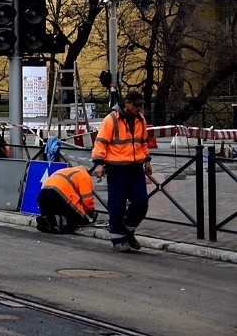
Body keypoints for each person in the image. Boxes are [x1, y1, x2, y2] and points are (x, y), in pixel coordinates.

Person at [92, 90, 153, 252]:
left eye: (141, 105)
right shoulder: (111, 120)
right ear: (127, 103)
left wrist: (147, 159)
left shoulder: (141, 119)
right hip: (117, 169)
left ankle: (126, 231)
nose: (139, 109)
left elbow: (143, 142)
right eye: (136, 105)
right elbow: (100, 143)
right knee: (117, 205)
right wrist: (99, 163)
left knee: (141, 202)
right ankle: (118, 239)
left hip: (135, 168)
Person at [36, 166, 96, 234]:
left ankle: (46, 220)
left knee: (56, 214)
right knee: (78, 220)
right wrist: (90, 213)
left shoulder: (65, 170)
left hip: (43, 194)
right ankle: (52, 220)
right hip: (60, 194)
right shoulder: (85, 176)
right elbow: (87, 200)